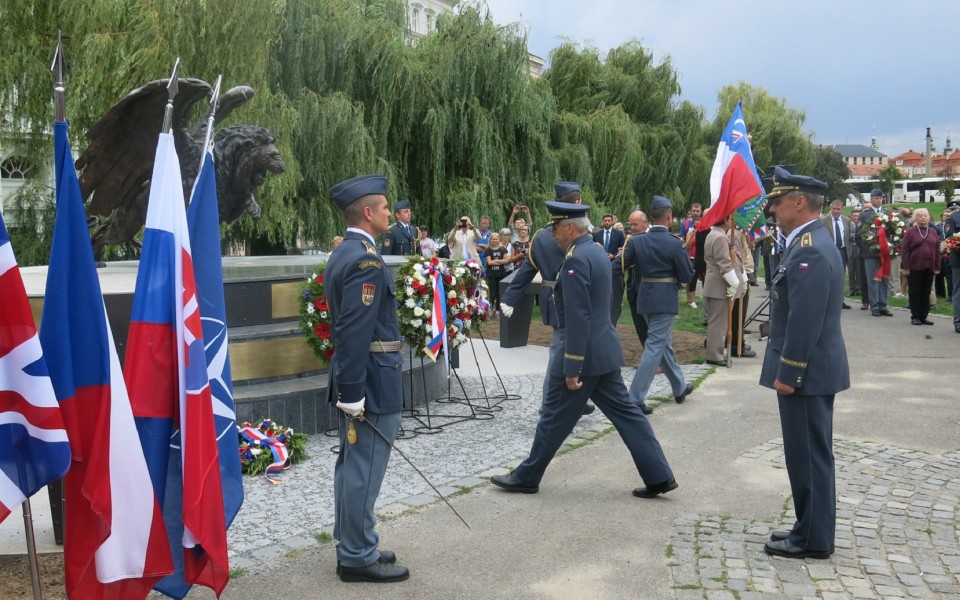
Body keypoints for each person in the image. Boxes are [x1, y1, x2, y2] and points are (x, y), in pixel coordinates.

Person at [490, 200, 677, 499]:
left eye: (554, 227)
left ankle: (527, 475)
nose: (551, 233)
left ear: (568, 228)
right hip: (603, 351)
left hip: (583, 355)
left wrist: (572, 366)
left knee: (553, 415)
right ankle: (659, 475)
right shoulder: (596, 252)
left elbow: (579, 318)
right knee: (629, 415)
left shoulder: (576, 259)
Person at [760, 166, 849, 560]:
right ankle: (808, 526)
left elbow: (805, 319)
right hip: (813, 370)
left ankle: (812, 539)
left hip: (806, 372)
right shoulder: (808, 240)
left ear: (799, 203)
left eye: (777, 202)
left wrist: (789, 371)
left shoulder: (810, 246)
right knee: (807, 454)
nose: (773, 210)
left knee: (808, 456)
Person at [325, 174, 409, 583]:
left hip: (362, 378)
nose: (390, 213)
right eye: (386, 207)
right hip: (372, 382)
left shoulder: (345, 253)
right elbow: (355, 330)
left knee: (351, 465)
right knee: (364, 468)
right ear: (368, 212)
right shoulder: (365, 260)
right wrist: (354, 392)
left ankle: (353, 538)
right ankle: (357, 556)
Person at [501, 181, 595, 416]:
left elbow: (526, 270)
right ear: (576, 202)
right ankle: (549, 407)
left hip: (550, 298)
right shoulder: (575, 233)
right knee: (559, 355)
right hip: (570, 300)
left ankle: (577, 400)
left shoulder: (541, 236)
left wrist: (511, 298)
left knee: (570, 351)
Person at [625, 196, 695, 414]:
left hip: (644, 297)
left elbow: (623, 265)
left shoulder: (636, 241)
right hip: (664, 299)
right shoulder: (675, 243)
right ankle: (634, 398)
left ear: (651, 217)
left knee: (663, 343)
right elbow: (686, 276)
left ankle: (679, 387)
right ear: (669, 217)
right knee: (655, 346)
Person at [702, 211, 746, 366]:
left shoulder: (713, 234)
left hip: (716, 284)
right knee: (719, 324)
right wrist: (734, 283)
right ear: (726, 219)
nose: (732, 222)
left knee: (718, 322)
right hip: (719, 285)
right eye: (730, 219)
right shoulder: (720, 237)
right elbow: (724, 263)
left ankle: (715, 352)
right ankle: (714, 355)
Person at [901, 207, 940, 326]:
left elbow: (937, 250)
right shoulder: (910, 232)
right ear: (916, 218)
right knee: (915, 291)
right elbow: (905, 250)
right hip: (915, 266)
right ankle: (915, 316)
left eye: (925, 215)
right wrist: (906, 267)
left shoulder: (933, 231)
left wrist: (937, 266)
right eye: (920, 216)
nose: (923, 218)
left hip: (930, 266)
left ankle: (924, 316)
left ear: (929, 217)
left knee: (926, 292)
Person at [858, 189, 893, 317]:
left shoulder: (888, 214)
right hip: (871, 253)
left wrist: (891, 246)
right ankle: (875, 306)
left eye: (880, 198)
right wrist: (871, 246)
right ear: (871, 199)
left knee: (885, 279)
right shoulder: (865, 215)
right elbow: (860, 235)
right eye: (876, 198)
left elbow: (893, 231)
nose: (879, 200)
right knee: (873, 279)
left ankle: (883, 305)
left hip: (885, 252)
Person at [622, 210, 651, 357]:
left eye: (635, 224)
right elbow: (624, 263)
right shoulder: (630, 240)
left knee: (651, 327)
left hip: (649, 290)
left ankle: (657, 361)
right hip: (634, 288)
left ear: (645, 223)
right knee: (640, 326)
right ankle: (649, 356)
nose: (632, 228)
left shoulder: (653, 238)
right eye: (630, 224)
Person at [593, 213, 626, 324]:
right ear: (603, 222)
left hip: (615, 268)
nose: (607, 222)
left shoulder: (619, 234)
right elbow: (593, 248)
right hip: (600, 267)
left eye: (608, 220)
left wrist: (614, 255)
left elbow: (623, 250)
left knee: (615, 296)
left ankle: (613, 321)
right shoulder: (597, 235)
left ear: (612, 221)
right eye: (605, 221)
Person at [820, 199, 853, 310]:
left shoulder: (846, 220)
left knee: (841, 277)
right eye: (834, 209)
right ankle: (828, 300)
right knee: (828, 275)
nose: (836, 211)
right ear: (830, 209)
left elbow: (849, 237)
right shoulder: (824, 221)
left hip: (843, 251)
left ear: (842, 209)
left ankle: (840, 300)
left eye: (838, 209)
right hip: (830, 251)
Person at [483, 232, 509, 313]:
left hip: (501, 274)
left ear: (499, 240)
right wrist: (501, 261)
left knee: (499, 292)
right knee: (492, 293)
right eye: (493, 239)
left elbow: (507, 261)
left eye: (496, 239)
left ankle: (498, 310)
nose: (495, 240)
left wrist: (496, 261)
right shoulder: (488, 250)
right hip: (491, 274)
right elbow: (489, 263)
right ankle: (490, 308)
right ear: (490, 240)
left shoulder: (503, 249)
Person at [945, 200, 960, 333]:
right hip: (959, 260)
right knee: (959, 292)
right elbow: (950, 239)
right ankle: (958, 321)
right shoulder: (954, 218)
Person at [848, 208, 862, 299]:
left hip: (859, 249)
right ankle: (852, 290)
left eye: (858, 216)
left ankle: (859, 289)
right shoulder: (848, 225)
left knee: (859, 271)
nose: (856, 217)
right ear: (851, 217)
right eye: (854, 216)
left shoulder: (862, 225)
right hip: (850, 249)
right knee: (851, 271)